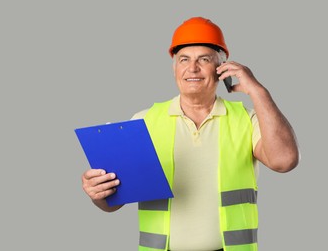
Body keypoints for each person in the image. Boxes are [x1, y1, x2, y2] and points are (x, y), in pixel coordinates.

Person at [81, 16, 300, 251]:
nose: (192, 68)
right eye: (184, 59)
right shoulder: (143, 121)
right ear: (175, 68)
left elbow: (284, 160)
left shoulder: (246, 119)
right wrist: (99, 193)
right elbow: (113, 203)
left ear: (222, 68)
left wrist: (258, 92)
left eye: (204, 59)